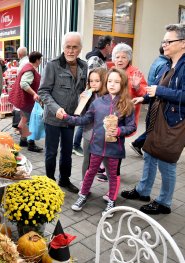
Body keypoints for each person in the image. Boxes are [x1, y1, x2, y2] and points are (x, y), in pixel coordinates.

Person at [121, 23, 185, 215]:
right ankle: (143, 191)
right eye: (164, 41)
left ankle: (164, 202)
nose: (164, 44)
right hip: (157, 118)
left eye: (169, 41)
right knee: (150, 154)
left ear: (183, 43)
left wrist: (159, 90)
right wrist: (143, 97)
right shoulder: (169, 64)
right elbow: (157, 91)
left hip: (173, 122)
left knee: (166, 162)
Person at [58, 68, 136, 216]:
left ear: (123, 84)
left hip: (115, 148)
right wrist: (67, 117)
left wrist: (119, 131)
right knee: (90, 172)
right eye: (110, 81)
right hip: (97, 146)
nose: (112, 84)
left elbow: (132, 126)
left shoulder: (127, 104)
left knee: (113, 175)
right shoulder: (98, 103)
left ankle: (112, 200)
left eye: (117, 82)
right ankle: (82, 196)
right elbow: (85, 119)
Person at [38, 32, 88, 193]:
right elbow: (43, 92)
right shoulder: (52, 65)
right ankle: (49, 183)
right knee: (51, 152)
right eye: (68, 47)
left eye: (75, 47)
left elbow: (84, 90)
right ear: (63, 47)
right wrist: (55, 108)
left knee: (67, 151)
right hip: (53, 117)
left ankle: (64, 180)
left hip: (71, 119)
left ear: (80, 48)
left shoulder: (84, 66)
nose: (71, 51)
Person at [94, 43, 148, 183]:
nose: (120, 59)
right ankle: (103, 166)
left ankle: (112, 172)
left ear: (129, 59)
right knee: (106, 138)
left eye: (124, 57)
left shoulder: (135, 72)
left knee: (117, 143)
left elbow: (144, 93)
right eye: (117, 56)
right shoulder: (110, 70)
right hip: (109, 112)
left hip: (124, 114)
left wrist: (137, 86)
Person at [73, 35, 114, 157]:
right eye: (111, 45)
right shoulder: (95, 59)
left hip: (96, 95)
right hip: (91, 96)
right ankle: (76, 145)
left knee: (88, 120)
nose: (112, 48)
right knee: (86, 120)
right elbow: (91, 79)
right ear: (107, 46)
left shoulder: (100, 58)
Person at [129, 46, 170, 157]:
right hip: (156, 102)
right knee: (154, 130)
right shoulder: (165, 65)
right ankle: (139, 144)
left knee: (152, 129)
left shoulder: (159, 61)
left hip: (152, 98)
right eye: (166, 43)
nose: (167, 45)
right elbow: (157, 86)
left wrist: (145, 97)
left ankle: (139, 144)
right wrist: (146, 97)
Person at [78, 67, 108, 187]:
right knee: (87, 159)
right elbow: (80, 114)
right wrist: (81, 100)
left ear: (104, 81)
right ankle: (84, 183)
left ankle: (112, 190)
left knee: (106, 160)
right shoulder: (88, 95)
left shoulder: (108, 97)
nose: (93, 83)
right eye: (91, 81)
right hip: (89, 133)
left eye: (97, 80)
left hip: (104, 134)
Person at [8, 51, 44, 152]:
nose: (40, 61)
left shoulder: (29, 67)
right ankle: (31, 144)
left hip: (24, 99)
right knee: (29, 121)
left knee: (24, 120)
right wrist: (34, 94)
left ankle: (23, 140)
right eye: (40, 59)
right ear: (37, 60)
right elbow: (24, 84)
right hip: (26, 100)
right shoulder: (29, 70)